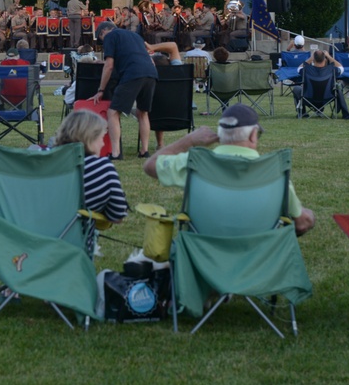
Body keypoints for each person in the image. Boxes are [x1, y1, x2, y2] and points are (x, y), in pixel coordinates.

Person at [142, 103, 316, 236]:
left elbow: (150, 166)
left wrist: (189, 141)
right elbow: (302, 222)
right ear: (253, 135)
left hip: (202, 262)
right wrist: (309, 215)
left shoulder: (193, 163)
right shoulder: (275, 172)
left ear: (220, 135)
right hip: (260, 264)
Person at [53, 110, 128, 251]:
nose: (102, 144)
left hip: (29, 250)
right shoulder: (101, 168)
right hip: (74, 253)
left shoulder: (40, 161)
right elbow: (117, 215)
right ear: (90, 138)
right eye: (101, 138)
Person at [89, 20, 158, 160]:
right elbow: (148, 59)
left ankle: (116, 153)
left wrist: (101, 90)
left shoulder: (109, 36)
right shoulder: (135, 36)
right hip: (151, 73)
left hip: (133, 73)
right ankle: (144, 151)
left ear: (103, 32)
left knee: (113, 111)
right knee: (143, 112)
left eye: (101, 39)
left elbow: (109, 65)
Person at [292, 49, 349, 119]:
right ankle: (345, 113)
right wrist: (329, 56)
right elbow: (341, 68)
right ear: (324, 59)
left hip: (308, 98)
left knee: (296, 88)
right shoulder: (331, 70)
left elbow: (299, 69)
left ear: (314, 59)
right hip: (327, 98)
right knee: (337, 88)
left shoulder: (307, 70)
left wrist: (311, 58)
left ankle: (302, 112)